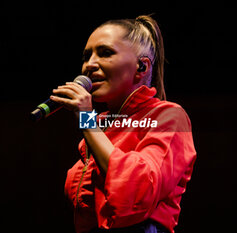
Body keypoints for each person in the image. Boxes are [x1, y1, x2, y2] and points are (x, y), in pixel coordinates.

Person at [50, 15, 197, 233]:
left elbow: (137, 190)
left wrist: (86, 119)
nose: (89, 65)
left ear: (141, 67)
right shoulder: (100, 124)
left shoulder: (169, 116)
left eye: (105, 53)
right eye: (86, 56)